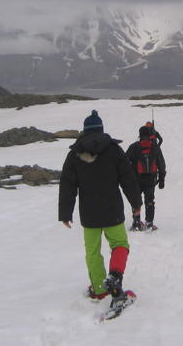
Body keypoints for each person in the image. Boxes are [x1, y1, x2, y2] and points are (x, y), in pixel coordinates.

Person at [59, 110, 142, 308]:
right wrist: (136, 204)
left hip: (89, 214)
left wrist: (65, 213)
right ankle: (114, 276)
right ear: (101, 129)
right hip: (113, 210)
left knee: (93, 252)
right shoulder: (113, 150)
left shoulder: (74, 154)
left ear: (84, 130)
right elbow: (128, 178)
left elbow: (67, 184)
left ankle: (100, 290)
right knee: (120, 244)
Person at [126, 125, 166, 231]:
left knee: (136, 201)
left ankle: (137, 222)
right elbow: (161, 164)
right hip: (151, 179)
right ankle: (149, 223)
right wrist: (162, 180)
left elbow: (125, 163)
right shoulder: (155, 147)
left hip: (136, 179)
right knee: (150, 200)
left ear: (140, 135)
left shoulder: (134, 147)